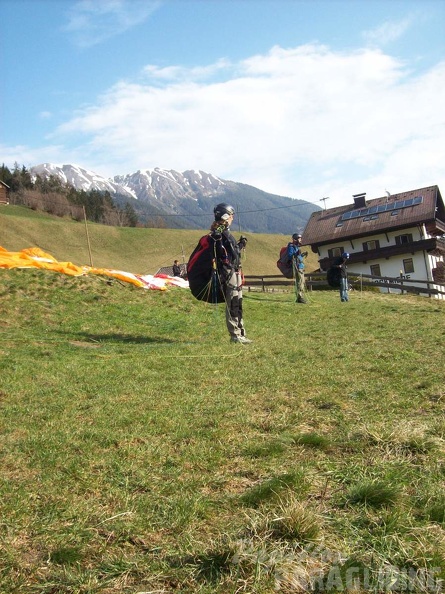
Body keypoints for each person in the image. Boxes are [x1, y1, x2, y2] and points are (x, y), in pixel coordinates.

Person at [210, 203, 252, 344]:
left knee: (238, 303)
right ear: (225, 216)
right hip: (228, 273)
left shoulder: (225, 232)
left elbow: (232, 252)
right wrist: (219, 231)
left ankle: (241, 332)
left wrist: (240, 245)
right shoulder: (220, 232)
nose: (233, 218)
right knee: (233, 302)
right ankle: (235, 335)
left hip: (235, 271)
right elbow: (219, 246)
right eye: (231, 215)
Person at [286, 233, 308, 303]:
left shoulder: (296, 247)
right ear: (295, 239)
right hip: (297, 266)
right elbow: (290, 256)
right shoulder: (291, 246)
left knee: (302, 281)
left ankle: (300, 297)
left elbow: (298, 256)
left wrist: (302, 254)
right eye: (299, 238)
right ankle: (300, 297)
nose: (301, 240)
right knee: (300, 281)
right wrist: (296, 254)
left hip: (300, 266)